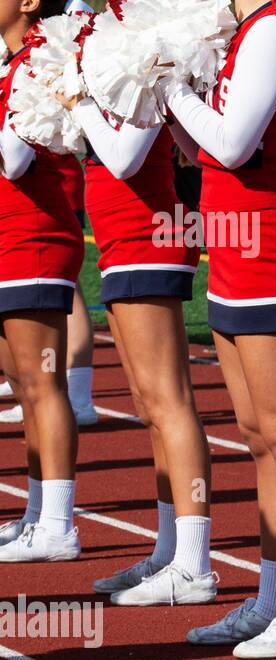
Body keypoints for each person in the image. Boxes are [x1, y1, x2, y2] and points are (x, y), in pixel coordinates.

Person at [160, 0, 276, 658]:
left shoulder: (273, 26)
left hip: (269, 244)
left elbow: (236, 144)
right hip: (234, 245)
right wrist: (164, 92)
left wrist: (172, 85)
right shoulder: (244, 32)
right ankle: (275, 597)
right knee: (260, 437)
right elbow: (204, 149)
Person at [57, 66, 215, 605]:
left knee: (169, 403)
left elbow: (124, 157)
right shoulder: (111, 43)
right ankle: (170, 549)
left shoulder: (145, 50)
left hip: (150, 233)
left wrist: (78, 101)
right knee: (150, 405)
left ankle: (193, 564)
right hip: (122, 238)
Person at [0, 0, 84, 564]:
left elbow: (13, 158)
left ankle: (58, 523)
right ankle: (37, 515)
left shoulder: (43, 58)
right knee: (26, 389)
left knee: (43, 384)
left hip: (34, 237)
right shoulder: (12, 61)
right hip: (8, 238)